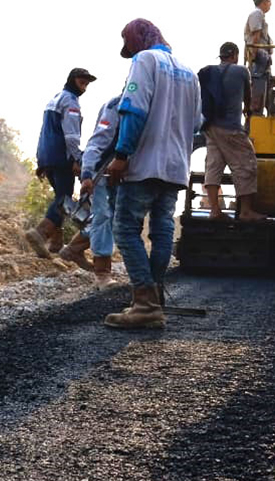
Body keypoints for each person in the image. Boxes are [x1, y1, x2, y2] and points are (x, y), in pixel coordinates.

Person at [103, 18, 201, 329]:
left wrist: (121, 155)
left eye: (128, 44)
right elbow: (198, 124)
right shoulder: (189, 73)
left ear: (138, 39)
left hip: (144, 164)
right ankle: (153, 298)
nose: (128, 51)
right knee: (161, 231)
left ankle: (144, 304)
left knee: (125, 228)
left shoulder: (145, 60)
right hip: (175, 168)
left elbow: (134, 109)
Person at [26, 67, 96, 258]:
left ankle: (55, 245)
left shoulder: (54, 99)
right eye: (82, 83)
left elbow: (45, 132)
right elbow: (71, 136)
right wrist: (77, 158)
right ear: (72, 80)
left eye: (87, 84)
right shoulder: (71, 102)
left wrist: (41, 160)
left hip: (46, 155)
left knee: (59, 196)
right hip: (61, 156)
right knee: (64, 198)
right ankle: (40, 232)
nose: (85, 87)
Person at [198, 42, 265, 221]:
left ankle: (214, 210)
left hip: (210, 127)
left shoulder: (209, 71)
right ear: (235, 55)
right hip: (231, 128)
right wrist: (248, 110)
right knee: (246, 163)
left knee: (214, 165)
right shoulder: (242, 71)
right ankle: (246, 211)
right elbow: (248, 98)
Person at [70, 94, 122, 287]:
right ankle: (102, 273)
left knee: (118, 220)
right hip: (102, 171)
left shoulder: (155, 104)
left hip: (128, 175)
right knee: (103, 217)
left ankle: (74, 248)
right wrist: (87, 174)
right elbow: (97, 142)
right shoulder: (116, 105)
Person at [244, 0, 273, 114]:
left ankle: (259, 111)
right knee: (258, 86)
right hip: (258, 56)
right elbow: (256, 36)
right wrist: (254, 55)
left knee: (264, 85)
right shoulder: (257, 14)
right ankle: (256, 113)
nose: (270, 5)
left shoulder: (260, 15)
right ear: (264, 2)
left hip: (262, 56)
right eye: (269, 2)